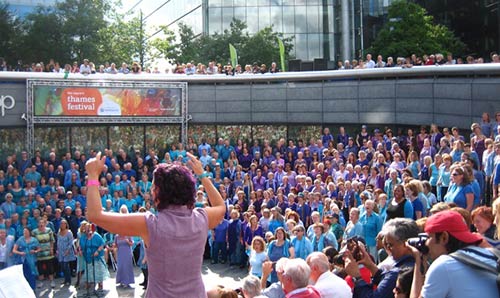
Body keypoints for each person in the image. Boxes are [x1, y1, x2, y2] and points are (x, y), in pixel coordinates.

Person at [85, 152, 225, 297]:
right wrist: (202, 175)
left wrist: (93, 176)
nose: (151, 191)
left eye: (153, 187)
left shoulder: (150, 224)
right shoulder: (201, 218)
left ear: (159, 191)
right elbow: (221, 207)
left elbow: (95, 215)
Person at [409, 210, 498, 298]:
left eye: (429, 237)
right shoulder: (493, 255)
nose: (426, 243)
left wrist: (418, 260)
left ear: (444, 237)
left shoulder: (444, 265)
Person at [344, 218, 419, 298]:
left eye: (390, 245)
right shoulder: (421, 262)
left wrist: (357, 277)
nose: (387, 248)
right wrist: (370, 266)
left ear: (406, 244)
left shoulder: (397, 273)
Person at [115, 205, 135, 288]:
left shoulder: (128, 233)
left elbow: (132, 243)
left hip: (127, 251)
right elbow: (115, 245)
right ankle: (120, 280)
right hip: (120, 252)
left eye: (124, 210)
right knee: (120, 266)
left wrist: (127, 240)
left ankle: (127, 281)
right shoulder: (117, 236)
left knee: (126, 266)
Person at [32, 218, 56, 288]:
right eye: (39, 223)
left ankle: (52, 281)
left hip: (48, 252)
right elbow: (33, 242)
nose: (41, 224)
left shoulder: (49, 230)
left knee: (50, 267)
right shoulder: (34, 232)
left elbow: (52, 240)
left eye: (42, 223)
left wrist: (52, 249)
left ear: (45, 224)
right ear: (38, 224)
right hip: (39, 253)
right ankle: (41, 282)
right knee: (40, 268)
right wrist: (35, 250)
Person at [56, 219, 76, 286]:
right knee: (62, 266)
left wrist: (68, 250)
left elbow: (71, 242)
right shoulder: (59, 232)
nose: (62, 225)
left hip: (67, 251)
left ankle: (68, 280)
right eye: (61, 224)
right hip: (60, 251)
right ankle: (65, 279)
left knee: (66, 266)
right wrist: (57, 250)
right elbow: (58, 241)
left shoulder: (69, 232)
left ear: (66, 224)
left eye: (64, 223)